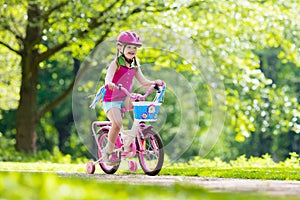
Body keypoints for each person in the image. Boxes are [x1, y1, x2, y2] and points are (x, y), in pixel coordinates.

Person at [102, 31, 163, 165]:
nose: (132, 50)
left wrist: (154, 83)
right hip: (111, 100)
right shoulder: (116, 64)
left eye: (135, 48)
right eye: (129, 47)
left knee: (139, 100)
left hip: (125, 98)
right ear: (120, 47)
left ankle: (133, 135)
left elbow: (142, 81)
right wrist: (110, 83)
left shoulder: (135, 65)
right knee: (117, 123)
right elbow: (108, 78)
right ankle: (108, 151)